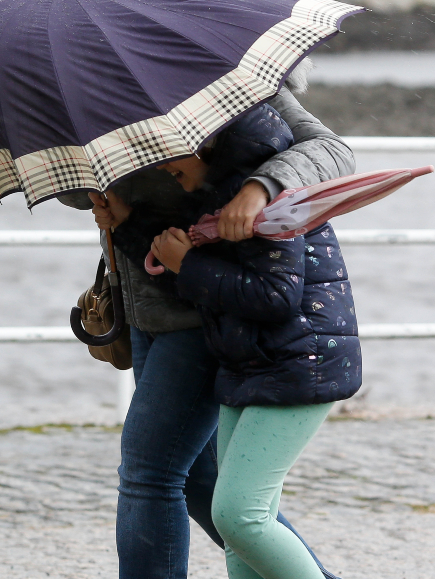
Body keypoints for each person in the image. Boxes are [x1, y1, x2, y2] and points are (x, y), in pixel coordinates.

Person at [58, 62, 353, 579]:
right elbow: (67, 185)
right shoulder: (91, 80)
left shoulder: (223, 75)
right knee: (204, 485)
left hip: (207, 306)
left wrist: (259, 187)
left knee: (151, 473)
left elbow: (329, 151)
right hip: (149, 301)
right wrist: (96, 179)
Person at [146, 104, 360, 579]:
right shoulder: (214, 196)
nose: (160, 164)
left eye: (167, 148)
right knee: (239, 539)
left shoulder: (262, 197)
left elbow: (276, 296)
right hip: (249, 365)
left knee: (238, 517)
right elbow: (208, 284)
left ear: (205, 138)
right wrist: (128, 227)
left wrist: (189, 265)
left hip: (300, 362)